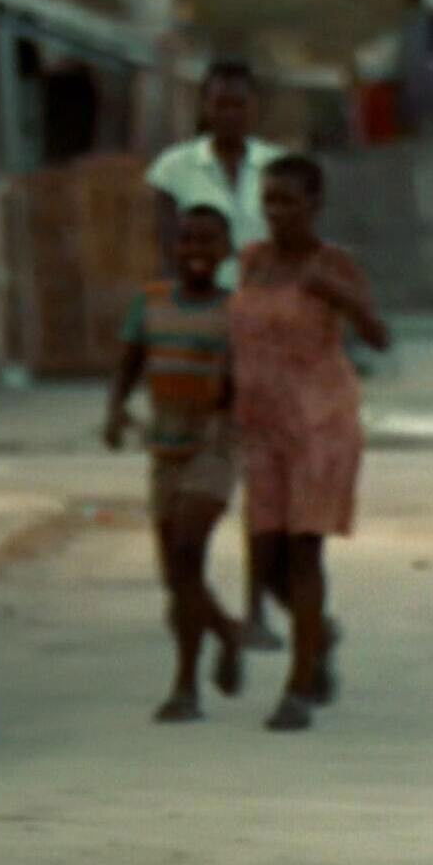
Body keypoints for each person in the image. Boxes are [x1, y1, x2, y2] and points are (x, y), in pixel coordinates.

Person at [231, 155, 391, 732]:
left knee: (303, 549)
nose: (276, 213)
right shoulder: (252, 262)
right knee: (266, 549)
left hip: (319, 424)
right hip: (261, 424)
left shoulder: (334, 265)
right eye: (268, 201)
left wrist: (342, 298)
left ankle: (299, 687)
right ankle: (318, 633)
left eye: (288, 201)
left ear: (314, 205)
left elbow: (380, 336)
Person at [145, 58, 286, 650]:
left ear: (255, 108)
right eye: (219, 102)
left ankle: (256, 611)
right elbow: (162, 251)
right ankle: (190, 598)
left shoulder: (276, 167)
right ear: (204, 106)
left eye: (239, 102)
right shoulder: (175, 169)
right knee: (187, 475)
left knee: (262, 477)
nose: (229, 112)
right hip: (199, 328)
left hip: (263, 328)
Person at [104, 205, 245, 722]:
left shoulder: (238, 311)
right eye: (188, 240)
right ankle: (226, 632)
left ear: (226, 250)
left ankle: (185, 686)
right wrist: (115, 410)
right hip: (164, 444)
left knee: (188, 552)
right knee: (175, 575)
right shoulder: (151, 302)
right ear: (174, 247)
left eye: (208, 241)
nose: (197, 251)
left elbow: (252, 379)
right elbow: (130, 362)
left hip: (215, 444)